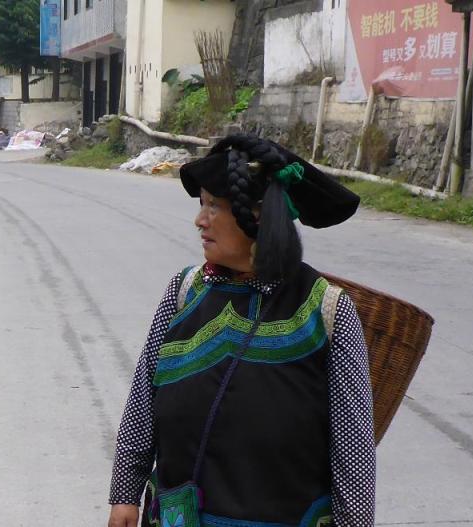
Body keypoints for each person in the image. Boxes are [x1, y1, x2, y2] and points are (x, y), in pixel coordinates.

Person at [107, 135, 376, 527]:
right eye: (202, 205)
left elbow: (353, 447)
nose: (200, 220)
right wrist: (124, 494)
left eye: (214, 206)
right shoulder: (184, 293)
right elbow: (143, 403)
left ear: (259, 216)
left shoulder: (325, 310)